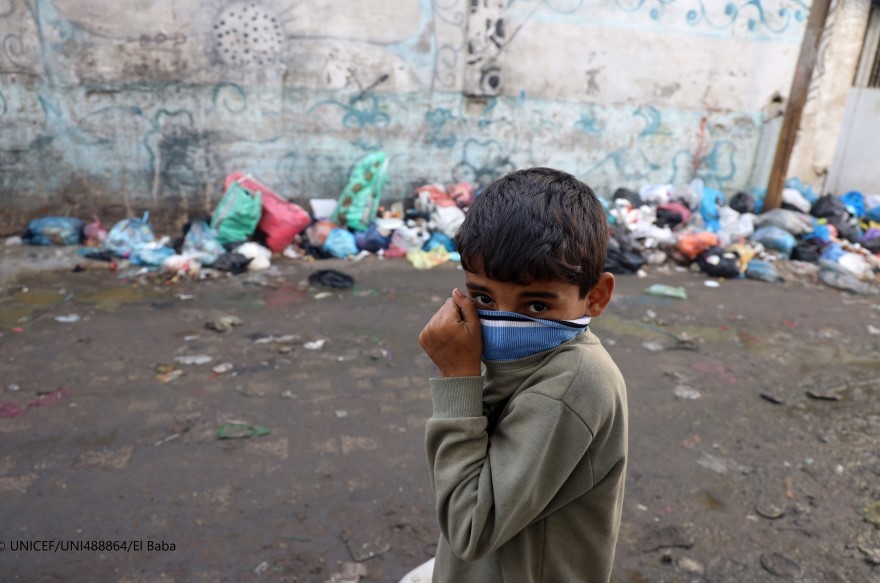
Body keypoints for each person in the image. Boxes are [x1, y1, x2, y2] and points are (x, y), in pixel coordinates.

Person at [412, 167, 628, 583]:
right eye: (483, 297)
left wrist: (458, 379)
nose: (503, 321)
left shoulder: (570, 386)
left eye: (537, 306)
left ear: (596, 296)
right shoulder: (536, 363)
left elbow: (470, 529)